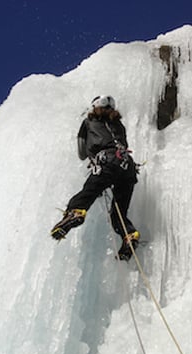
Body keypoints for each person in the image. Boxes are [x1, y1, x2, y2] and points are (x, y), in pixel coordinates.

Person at [50, 95, 140, 261]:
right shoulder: (119, 125)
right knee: (118, 213)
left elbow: (81, 153)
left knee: (88, 193)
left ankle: (75, 213)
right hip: (128, 168)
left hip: (106, 162)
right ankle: (130, 236)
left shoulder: (88, 122)